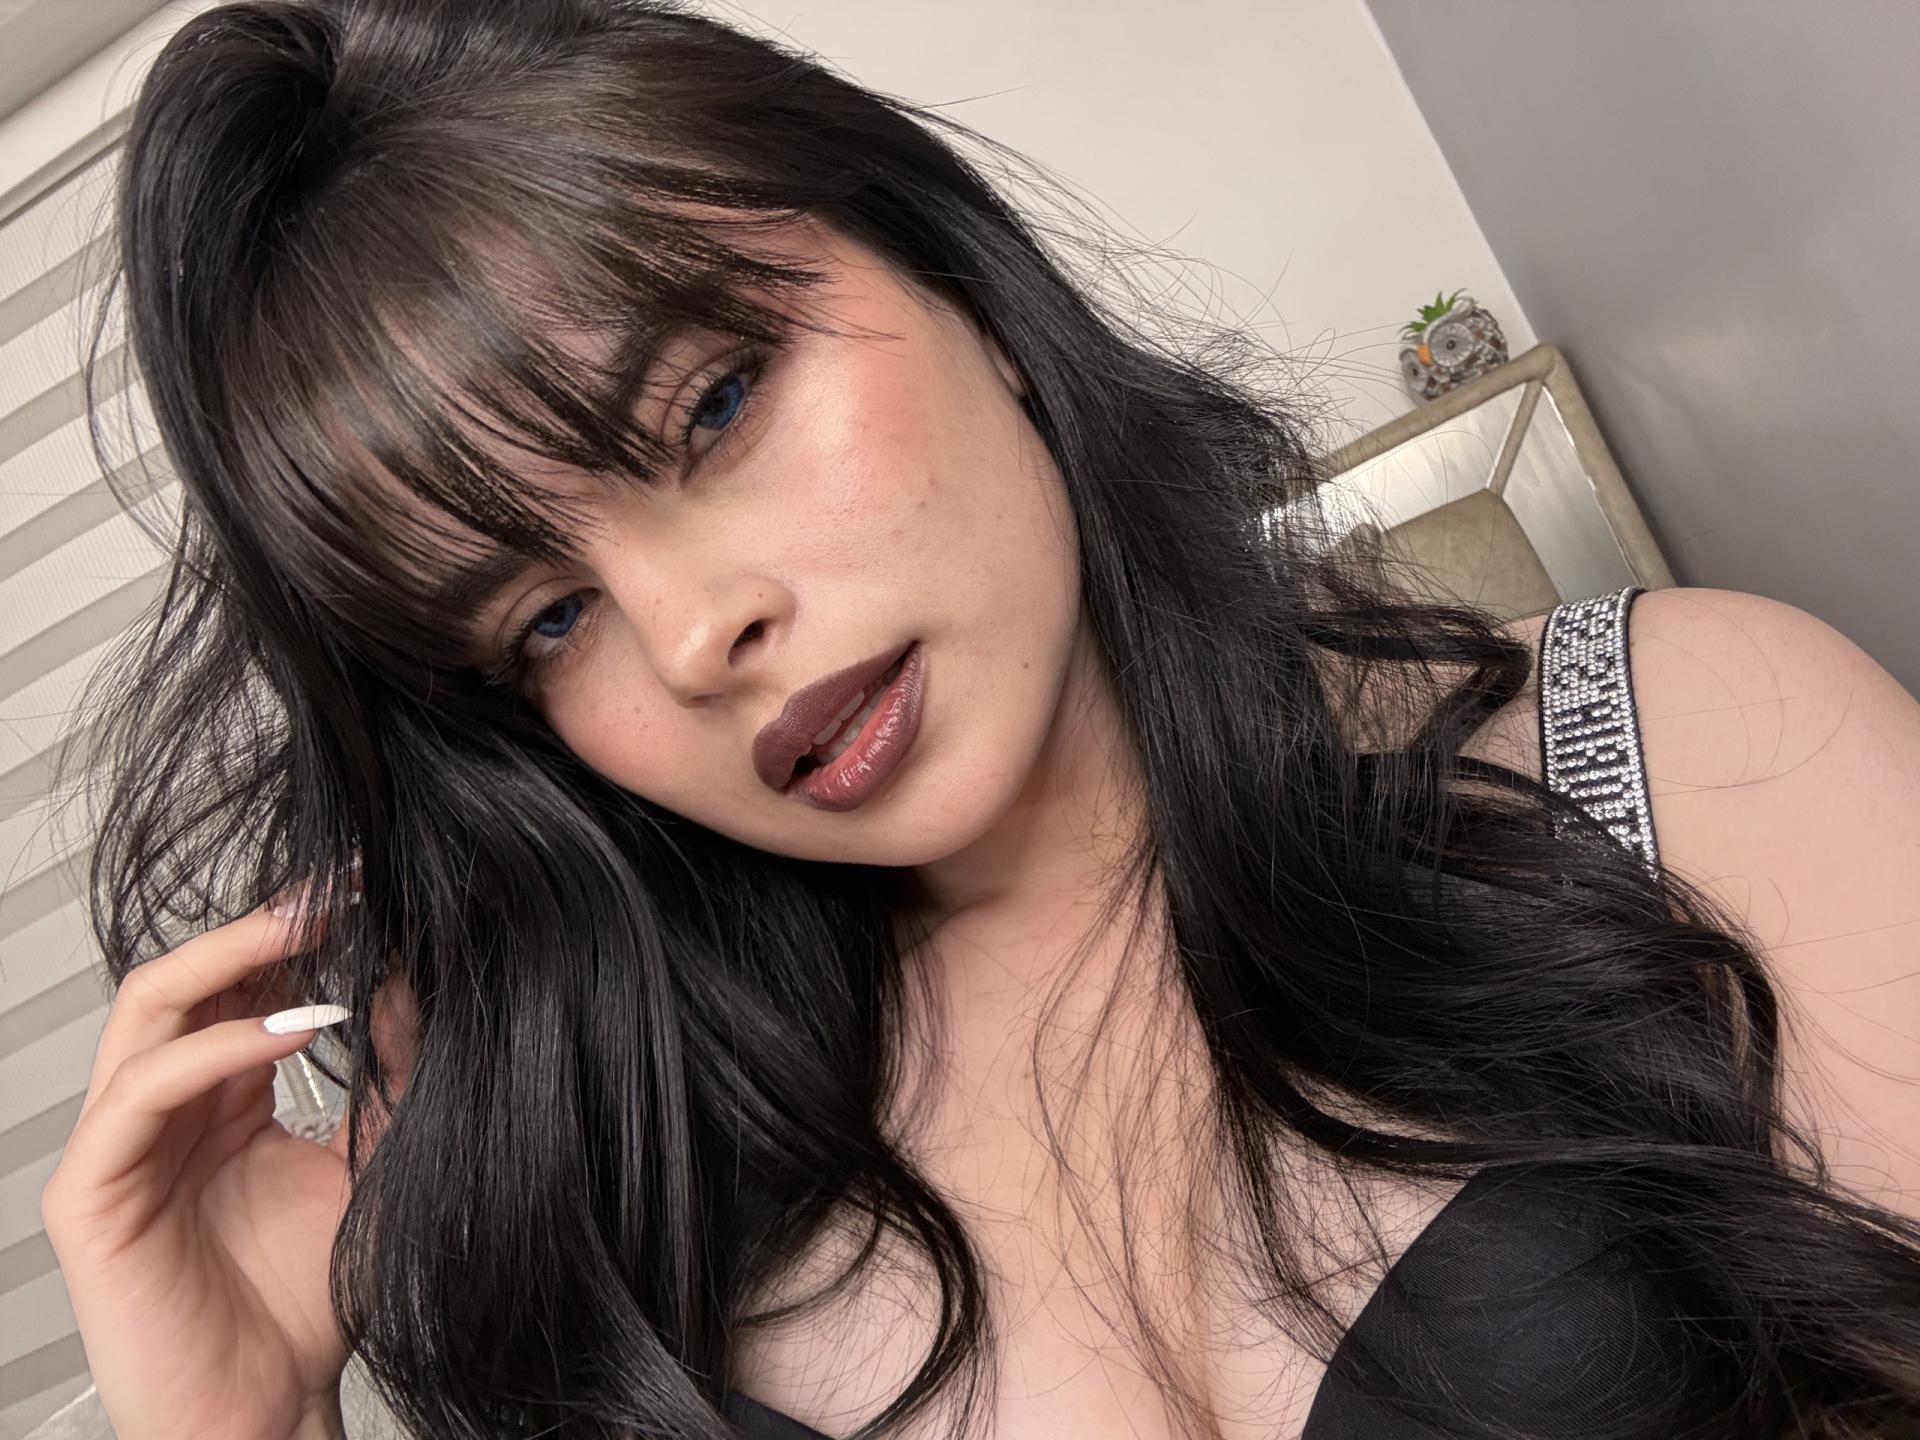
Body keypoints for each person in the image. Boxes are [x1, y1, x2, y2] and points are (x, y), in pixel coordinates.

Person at [35, 1, 1920, 1437]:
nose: (692, 635)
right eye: (543, 621)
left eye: (712, 406)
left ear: (968, 289)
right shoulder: (638, 1212)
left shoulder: (1685, 744)